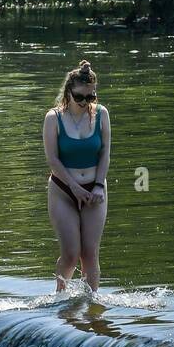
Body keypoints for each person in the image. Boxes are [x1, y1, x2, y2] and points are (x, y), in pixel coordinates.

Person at [43, 59, 110, 291]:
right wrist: (74, 187)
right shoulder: (54, 118)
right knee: (71, 254)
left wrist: (99, 186)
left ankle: (91, 305)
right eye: (80, 97)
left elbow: (105, 154)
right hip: (63, 190)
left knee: (90, 253)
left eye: (90, 97)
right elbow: (53, 160)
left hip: (94, 189)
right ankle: (60, 300)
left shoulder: (101, 114)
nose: (85, 102)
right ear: (68, 92)